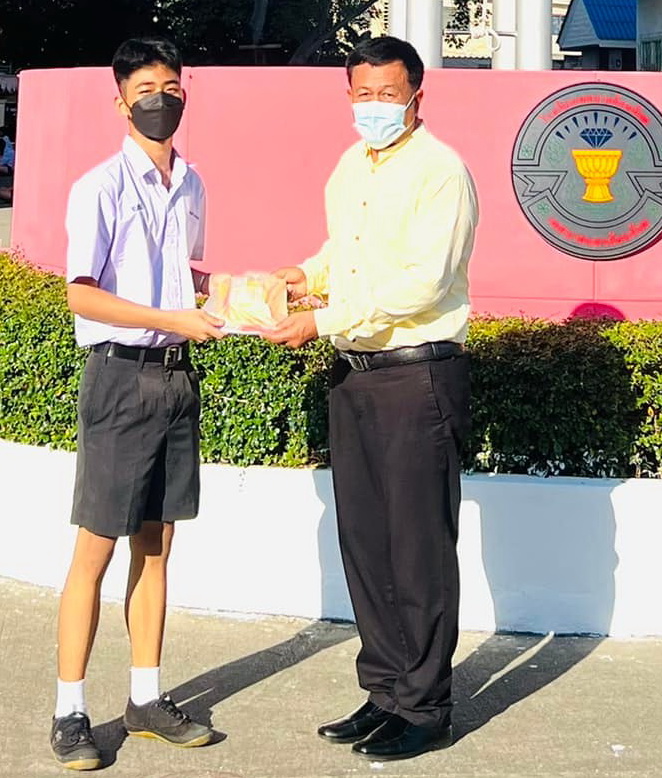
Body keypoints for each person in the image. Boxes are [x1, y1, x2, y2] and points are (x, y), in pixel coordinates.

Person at [263, 36, 478, 761]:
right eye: (364, 93)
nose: (376, 106)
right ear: (348, 94)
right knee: (366, 543)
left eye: (389, 93)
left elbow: (421, 281)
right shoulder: (352, 165)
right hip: (354, 373)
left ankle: (426, 707)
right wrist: (304, 276)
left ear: (417, 96)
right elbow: (347, 253)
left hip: (417, 375)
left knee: (418, 548)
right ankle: (384, 690)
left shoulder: (440, 171)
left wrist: (321, 318)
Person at [51, 37, 225, 771]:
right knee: (94, 550)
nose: (161, 99)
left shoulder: (193, 183)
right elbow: (81, 294)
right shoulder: (98, 187)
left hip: (177, 379)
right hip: (120, 379)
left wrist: (241, 294)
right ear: (120, 101)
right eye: (146, 88)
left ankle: (146, 699)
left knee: (156, 545)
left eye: (172, 87)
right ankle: (69, 712)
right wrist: (170, 317)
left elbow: (185, 274)